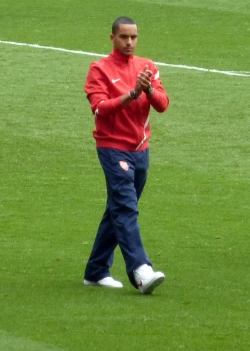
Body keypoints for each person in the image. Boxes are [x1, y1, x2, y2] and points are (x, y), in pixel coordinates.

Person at [83, 16, 169, 294]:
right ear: (112, 38)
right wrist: (133, 94)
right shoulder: (99, 69)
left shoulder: (147, 67)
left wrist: (149, 89)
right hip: (112, 147)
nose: (129, 42)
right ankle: (141, 270)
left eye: (133, 37)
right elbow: (100, 108)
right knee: (126, 208)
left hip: (140, 150)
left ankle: (96, 271)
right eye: (124, 37)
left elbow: (163, 105)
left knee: (117, 210)